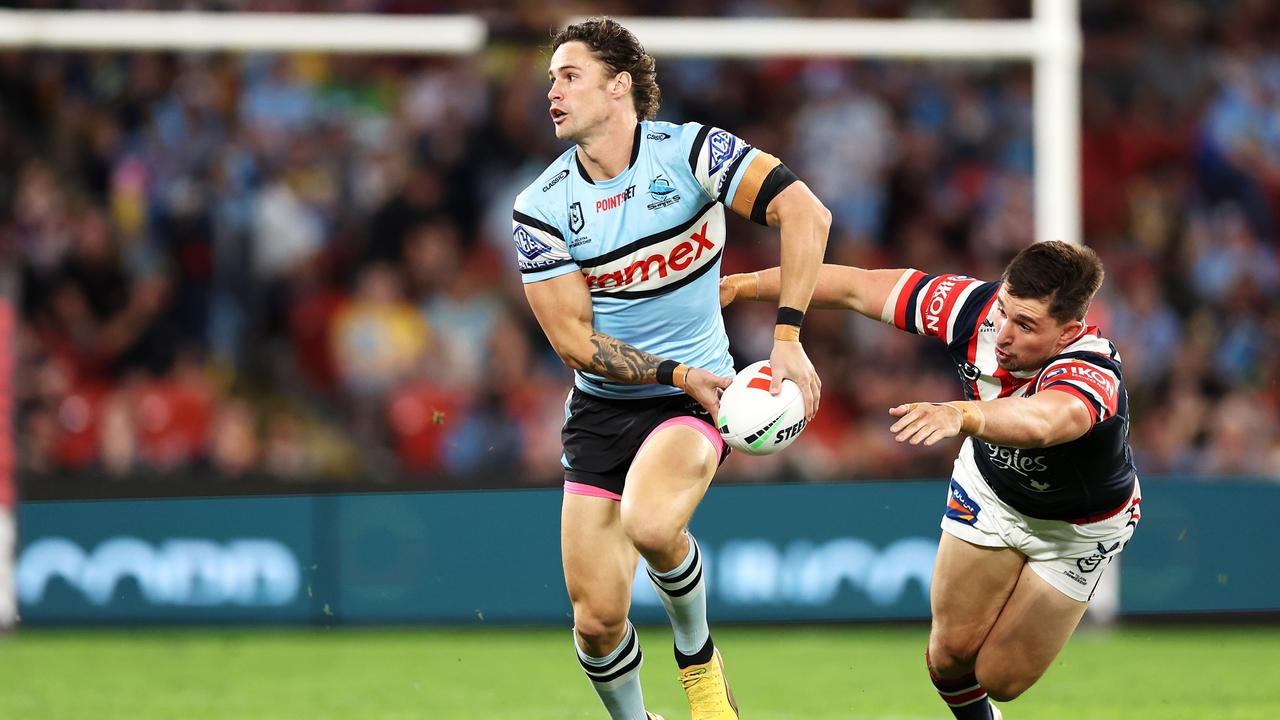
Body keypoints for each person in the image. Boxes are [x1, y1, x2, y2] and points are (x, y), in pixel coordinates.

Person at [512, 17, 829, 720]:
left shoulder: (691, 154)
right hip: (607, 407)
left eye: (570, 76)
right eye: (551, 81)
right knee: (596, 622)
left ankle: (698, 663)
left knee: (653, 525)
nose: (553, 93)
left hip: (695, 400)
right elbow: (573, 344)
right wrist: (678, 374)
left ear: (618, 85)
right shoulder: (540, 207)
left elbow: (805, 211)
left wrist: (786, 339)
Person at [721, 241, 1140, 720]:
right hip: (992, 493)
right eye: (1004, 310)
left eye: (1025, 325)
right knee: (947, 658)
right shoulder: (970, 308)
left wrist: (960, 413)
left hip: (1077, 529)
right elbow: (857, 287)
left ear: (1068, 332)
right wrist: (743, 285)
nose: (1002, 334)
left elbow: (1045, 421)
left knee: (1001, 680)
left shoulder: (1092, 371)